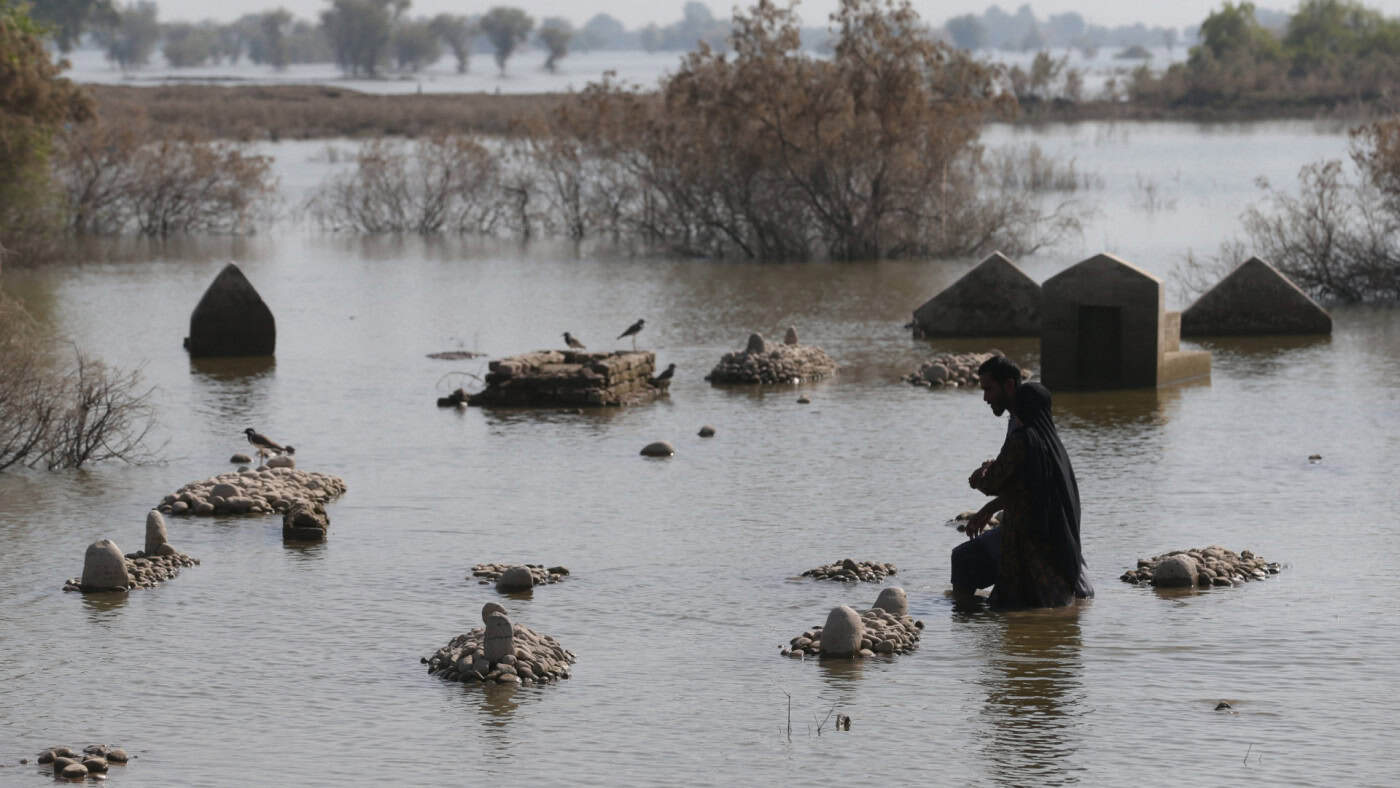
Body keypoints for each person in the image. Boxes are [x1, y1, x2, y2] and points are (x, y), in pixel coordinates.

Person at [968, 380, 1094, 608]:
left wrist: (982, 473)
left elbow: (992, 483)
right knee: (1048, 604)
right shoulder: (1052, 443)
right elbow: (1026, 487)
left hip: (1025, 540)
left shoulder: (1022, 439)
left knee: (1016, 605)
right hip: (1053, 537)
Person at [950, 355, 1022, 598]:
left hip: (1028, 531)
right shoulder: (1024, 422)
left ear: (1009, 385)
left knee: (963, 559)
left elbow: (1021, 481)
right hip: (1026, 521)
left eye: (989, 389)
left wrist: (983, 482)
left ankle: (964, 619)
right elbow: (1019, 474)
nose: (985, 398)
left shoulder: (1025, 425)